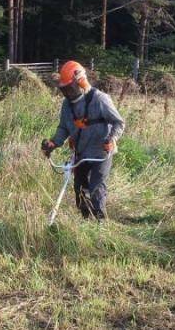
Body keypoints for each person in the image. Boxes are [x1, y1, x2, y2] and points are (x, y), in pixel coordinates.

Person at [41, 61, 125, 220]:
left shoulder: (99, 99)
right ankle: (86, 222)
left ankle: (100, 224)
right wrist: (53, 143)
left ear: (80, 81)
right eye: (64, 89)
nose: (68, 92)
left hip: (101, 153)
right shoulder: (67, 105)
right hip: (80, 153)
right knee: (80, 191)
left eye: (70, 87)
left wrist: (112, 139)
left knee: (96, 189)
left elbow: (118, 122)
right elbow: (64, 128)